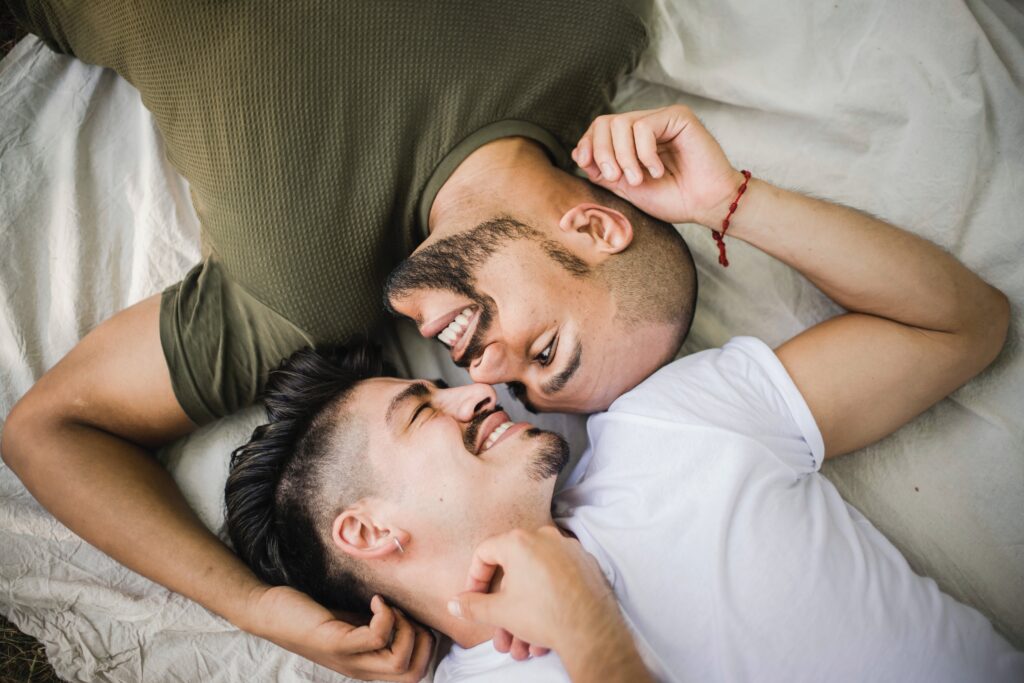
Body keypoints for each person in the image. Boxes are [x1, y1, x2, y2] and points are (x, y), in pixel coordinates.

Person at [1, 1, 677, 678]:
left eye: (518, 386)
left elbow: (51, 430)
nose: (484, 378)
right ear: (591, 228)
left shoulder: (306, 293)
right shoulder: (594, 25)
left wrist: (257, 607)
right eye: (546, 352)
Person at [223, 333, 1021, 681]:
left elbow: (966, 327)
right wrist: (583, 624)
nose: (475, 392)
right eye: (422, 410)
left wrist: (731, 201)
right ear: (368, 530)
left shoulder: (667, 424)